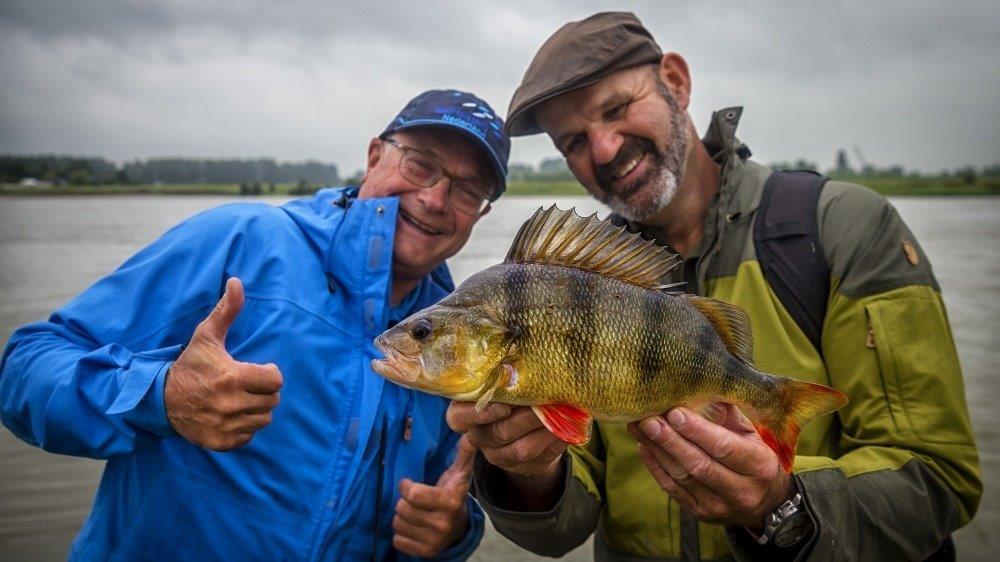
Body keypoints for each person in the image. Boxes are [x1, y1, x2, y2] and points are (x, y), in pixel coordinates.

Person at [447, 12, 981, 561]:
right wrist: (530, 473)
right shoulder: (578, 279)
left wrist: (784, 504)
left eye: (616, 109)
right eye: (573, 142)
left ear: (675, 82)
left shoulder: (844, 229)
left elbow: (939, 479)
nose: (604, 149)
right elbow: (565, 525)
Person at [0, 89, 510, 561]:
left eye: (468, 191)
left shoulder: (464, 340)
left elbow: (448, 491)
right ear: (375, 156)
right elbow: (25, 368)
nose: (437, 199)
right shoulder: (240, 242)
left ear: (480, 215)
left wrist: (453, 535)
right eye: (421, 165)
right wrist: (162, 397)